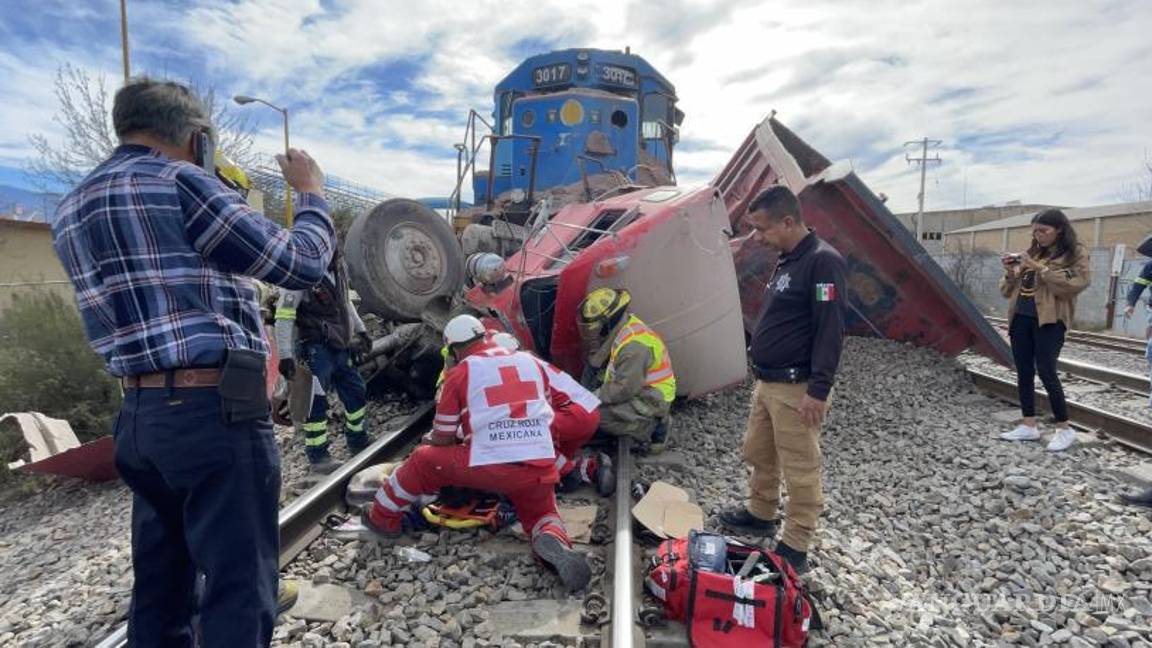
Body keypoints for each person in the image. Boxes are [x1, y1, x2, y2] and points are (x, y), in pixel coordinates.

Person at [51, 78, 334, 647]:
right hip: (212, 411)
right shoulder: (181, 180)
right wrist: (311, 195)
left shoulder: (70, 206)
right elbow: (301, 264)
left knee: (160, 588)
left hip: (139, 418)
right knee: (238, 586)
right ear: (198, 137)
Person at [362, 316, 592, 590]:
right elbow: (543, 414)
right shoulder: (531, 362)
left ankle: (382, 518)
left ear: (455, 348)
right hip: (538, 466)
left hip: (490, 466)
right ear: (484, 336)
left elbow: (443, 438)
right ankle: (551, 537)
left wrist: (440, 447)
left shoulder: (461, 373)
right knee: (541, 512)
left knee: (423, 460)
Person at [718, 185, 846, 575]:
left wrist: (818, 389)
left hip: (796, 386)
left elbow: (830, 327)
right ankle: (761, 511)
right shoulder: (788, 259)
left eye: (763, 229)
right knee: (759, 452)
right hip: (768, 382)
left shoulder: (823, 263)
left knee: (800, 465)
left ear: (789, 221)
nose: (757, 237)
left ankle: (796, 541)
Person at [997, 209, 1090, 452]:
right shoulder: (1032, 252)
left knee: (1047, 370)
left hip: (1049, 320)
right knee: (1024, 371)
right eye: (1035, 231)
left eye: (1044, 231)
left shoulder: (1074, 253)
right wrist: (1009, 271)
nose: (1038, 236)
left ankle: (1064, 428)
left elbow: (1074, 285)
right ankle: (1029, 425)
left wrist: (1040, 268)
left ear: (1059, 229)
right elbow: (1007, 291)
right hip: (1021, 318)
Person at [275, 249, 373, 473]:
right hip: (314, 348)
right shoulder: (299, 277)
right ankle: (318, 456)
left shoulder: (336, 272)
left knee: (355, 391)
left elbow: (346, 304)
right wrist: (285, 356)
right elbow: (284, 316)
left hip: (339, 346)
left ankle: (358, 440)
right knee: (314, 402)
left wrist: (362, 331)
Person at [490, 332, 614, 496]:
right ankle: (589, 468)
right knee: (549, 457)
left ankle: (568, 474)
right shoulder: (530, 360)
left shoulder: (514, 371)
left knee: (516, 434)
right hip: (587, 411)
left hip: (571, 415)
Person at [577, 287, 676, 453]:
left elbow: (624, 389)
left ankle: (653, 428)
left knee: (595, 417)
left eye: (595, 327)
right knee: (588, 411)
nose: (593, 331)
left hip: (651, 398)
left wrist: (590, 399)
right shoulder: (625, 327)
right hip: (639, 388)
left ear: (607, 322)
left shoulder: (634, 348)